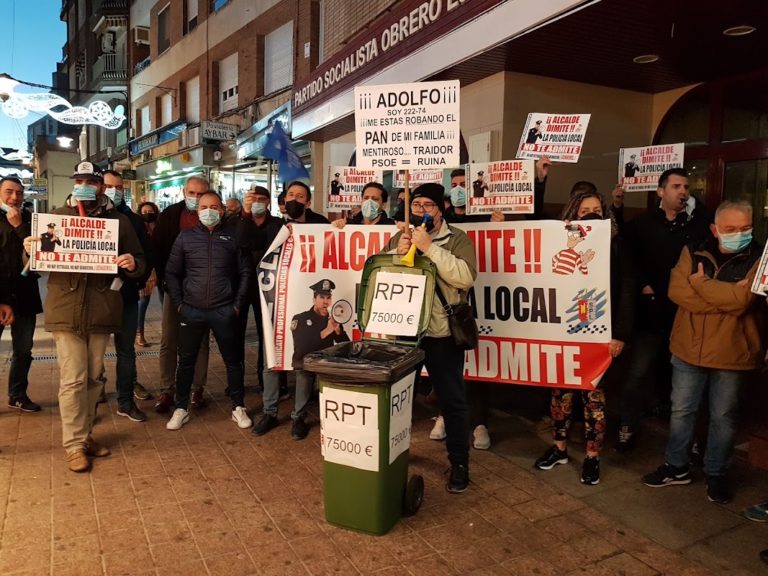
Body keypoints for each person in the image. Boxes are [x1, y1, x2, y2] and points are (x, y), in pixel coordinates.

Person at [642, 200, 764, 504]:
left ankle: (716, 472)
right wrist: (723, 297)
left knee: (723, 416)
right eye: (731, 229)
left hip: (732, 352)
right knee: (682, 411)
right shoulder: (694, 249)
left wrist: (703, 284)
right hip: (688, 347)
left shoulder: (760, 257)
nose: (740, 234)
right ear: (715, 229)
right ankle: (676, 466)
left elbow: (743, 302)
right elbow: (678, 292)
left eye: (745, 228)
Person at [33, 161, 146, 472]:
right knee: (73, 379)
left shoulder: (118, 223)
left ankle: (84, 436)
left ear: (100, 186)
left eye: (91, 181)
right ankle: (73, 446)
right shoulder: (55, 217)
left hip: (101, 309)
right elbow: (37, 263)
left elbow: (140, 261)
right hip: (66, 310)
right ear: (74, 183)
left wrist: (131, 263)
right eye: (80, 179)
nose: (85, 185)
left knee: (94, 378)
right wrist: (31, 249)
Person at [534, 190, 635, 485]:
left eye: (596, 209)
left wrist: (620, 334)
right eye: (583, 210)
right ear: (572, 215)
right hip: (563, 332)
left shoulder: (617, 244)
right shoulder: (557, 243)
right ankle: (560, 448)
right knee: (559, 396)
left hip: (598, 335)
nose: (590, 214)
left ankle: (592, 457)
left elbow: (627, 290)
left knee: (594, 400)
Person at [389, 183, 477, 493]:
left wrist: (430, 248)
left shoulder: (458, 240)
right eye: (417, 205)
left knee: (452, 401)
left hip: (442, 334)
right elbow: (384, 277)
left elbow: (465, 277)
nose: (422, 211)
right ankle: (392, 455)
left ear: (441, 209)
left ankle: (459, 462)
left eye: (429, 205)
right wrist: (396, 255)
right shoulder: (400, 238)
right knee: (398, 398)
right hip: (406, 331)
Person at [616, 168, 710, 452]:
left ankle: (687, 438)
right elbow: (625, 255)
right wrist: (644, 284)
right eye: (677, 186)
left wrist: (697, 208)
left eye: (687, 188)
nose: (683, 192)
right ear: (660, 191)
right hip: (650, 314)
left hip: (683, 315)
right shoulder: (642, 223)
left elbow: (708, 230)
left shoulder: (693, 225)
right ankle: (626, 425)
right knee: (638, 372)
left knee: (683, 378)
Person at [164, 191, 252, 430]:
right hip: (191, 309)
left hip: (224, 310)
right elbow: (171, 272)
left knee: (233, 361)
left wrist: (237, 305)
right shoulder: (185, 237)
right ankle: (181, 407)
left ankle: (238, 406)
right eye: (204, 207)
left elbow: (245, 271)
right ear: (196, 210)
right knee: (186, 362)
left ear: (222, 210)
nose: (209, 211)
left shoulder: (233, 236)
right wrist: (180, 302)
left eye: (214, 207)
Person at [253, 279, 349, 440]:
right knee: (271, 364)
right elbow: (303, 345)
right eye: (322, 297)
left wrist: (338, 331)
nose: (325, 301)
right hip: (300, 358)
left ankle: (298, 417)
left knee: (305, 372)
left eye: (328, 297)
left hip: (316, 362)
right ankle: (269, 414)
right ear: (314, 299)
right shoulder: (301, 318)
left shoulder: (332, 319)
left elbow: (344, 343)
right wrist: (326, 332)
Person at [152, 176, 211, 413]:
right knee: (169, 339)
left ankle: (198, 389)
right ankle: (168, 389)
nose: (196, 198)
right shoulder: (170, 216)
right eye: (192, 193)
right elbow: (158, 249)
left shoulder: (214, 216)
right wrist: (162, 280)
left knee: (201, 342)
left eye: (201, 194)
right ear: (184, 192)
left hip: (203, 291)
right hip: (174, 289)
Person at [101, 170, 153, 421]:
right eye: (109, 186)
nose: (114, 191)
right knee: (93, 352)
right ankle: (95, 391)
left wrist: (137, 273)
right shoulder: (84, 217)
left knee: (126, 350)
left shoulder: (133, 221)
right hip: (95, 298)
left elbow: (145, 257)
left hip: (126, 295)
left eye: (119, 187)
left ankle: (125, 399)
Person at [0, 176, 43, 412]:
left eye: (18, 192)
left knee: (24, 349)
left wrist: (18, 227)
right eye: (8, 192)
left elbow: (39, 253)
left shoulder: (29, 220)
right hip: (1, 296)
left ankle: (17, 394)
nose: (14, 197)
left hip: (25, 295)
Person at [241, 185, 285, 392]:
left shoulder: (278, 224)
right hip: (241, 286)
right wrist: (245, 214)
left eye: (261, 198)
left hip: (269, 286)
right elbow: (239, 243)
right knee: (235, 335)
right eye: (253, 198)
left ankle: (266, 381)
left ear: (268, 202)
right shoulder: (238, 221)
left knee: (268, 335)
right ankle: (237, 382)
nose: (257, 201)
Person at [136, 201, 160, 350]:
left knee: (167, 301)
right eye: (144, 212)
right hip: (147, 269)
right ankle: (140, 333)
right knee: (143, 302)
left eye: (150, 211)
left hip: (161, 267)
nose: (147, 214)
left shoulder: (160, 226)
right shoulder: (139, 227)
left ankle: (171, 333)